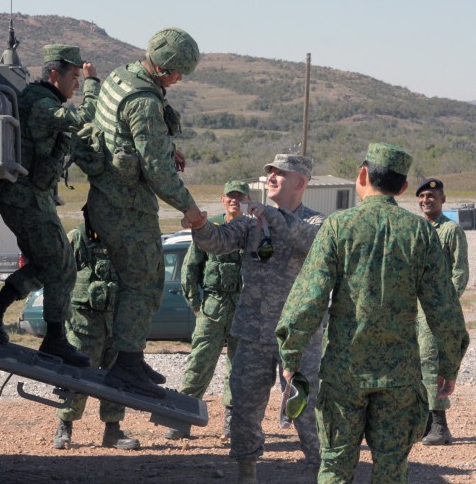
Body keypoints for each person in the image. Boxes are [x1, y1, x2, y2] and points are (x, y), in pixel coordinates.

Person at [276, 143, 470, 484]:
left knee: (335, 467)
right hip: (399, 378)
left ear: (362, 175)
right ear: (404, 188)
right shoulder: (421, 232)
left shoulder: (338, 226)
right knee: (392, 469)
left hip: (344, 375)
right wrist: (449, 365)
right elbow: (445, 310)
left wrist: (290, 356)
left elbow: (308, 300)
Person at [184, 155, 324, 483]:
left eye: (280, 173)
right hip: (252, 332)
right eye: (269, 173)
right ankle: (246, 470)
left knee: (305, 406)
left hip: (297, 337)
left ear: (300, 182)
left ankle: (321, 468)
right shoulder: (251, 222)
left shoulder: (318, 223)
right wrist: (200, 225)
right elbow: (218, 242)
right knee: (245, 406)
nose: (271, 177)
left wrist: (273, 215)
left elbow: (308, 240)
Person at [86, 27, 204, 398]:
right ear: (165, 68)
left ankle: (130, 359)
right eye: (178, 73)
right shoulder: (144, 102)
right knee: (145, 282)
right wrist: (190, 209)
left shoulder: (122, 76)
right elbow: (157, 171)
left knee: (134, 282)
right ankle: (127, 364)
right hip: (126, 208)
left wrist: (167, 147)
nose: (179, 79)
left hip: (104, 197)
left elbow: (127, 136)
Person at [0, 44, 100, 367]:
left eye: (80, 78)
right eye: (74, 76)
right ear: (55, 74)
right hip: (25, 198)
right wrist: (94, 84)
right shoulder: (41, 104)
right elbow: (84, 116)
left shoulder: (45, 101)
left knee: (45, 265)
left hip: (28, 197)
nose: (77, 83)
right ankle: (55, 339)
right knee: (62, 263)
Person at [165, 180, 250, 441]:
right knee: (199, 363)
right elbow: (191, 268)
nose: (235, 200)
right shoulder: (210, 229)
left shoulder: (255, 231)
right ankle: (182, 419)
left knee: (240, 368)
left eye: (240, 196)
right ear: (223, 200)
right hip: (213, 308)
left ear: (247, 201)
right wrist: (196, 304)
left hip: (244, 311)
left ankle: (232, 422)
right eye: (230, 196)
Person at [52, 223, 140, 451]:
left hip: (116, 324)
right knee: (76, 375)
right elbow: (59, 276)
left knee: (117, 376)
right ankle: (64, 426)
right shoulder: (78, 239)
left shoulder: (123, 240)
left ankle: (113, 431)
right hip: (84, 325)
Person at [415, 178, 469, 445]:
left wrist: (444, 303)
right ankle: (425, 424)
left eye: (432, 196)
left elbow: (460, 272)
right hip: (414, 308)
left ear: (443, 199)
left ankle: (440, 426)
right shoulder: (416, 229)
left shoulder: (451, 230)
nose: (426, 200)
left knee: (432, 361)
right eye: (423, 196)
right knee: (416, 363)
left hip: (436, 311)